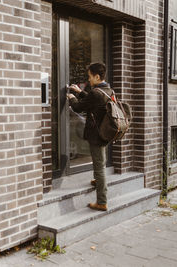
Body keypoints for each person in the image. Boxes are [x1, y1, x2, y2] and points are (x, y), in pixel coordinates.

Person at [67, 62, 111, 211]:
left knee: (99, 166)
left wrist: (72, 97)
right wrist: (79, 92)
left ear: (97, 76)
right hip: (106, 132)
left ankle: (102, 202)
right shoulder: (108, 90)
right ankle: (98, 180)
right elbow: (92, 101)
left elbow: (79, 107)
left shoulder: (96, 93)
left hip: (97, 134)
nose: (89, 80)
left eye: (90, 77)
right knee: (101, 161)